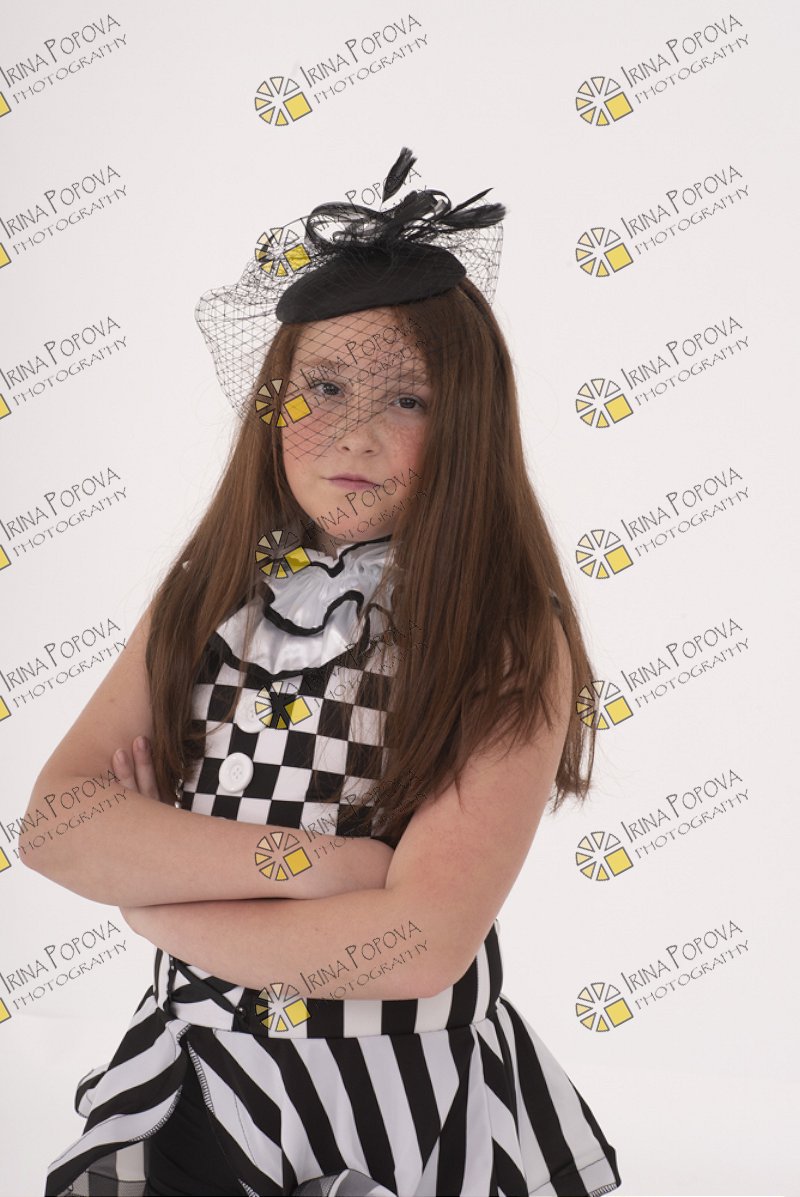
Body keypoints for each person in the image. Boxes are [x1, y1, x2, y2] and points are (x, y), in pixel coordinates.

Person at [24, 146, 623, 1197]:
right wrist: (320, 866)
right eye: (326, 388)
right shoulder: (207, 599)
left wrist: (162, 905)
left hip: (404, 1092)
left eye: (408, 401)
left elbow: (416, 945)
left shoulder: (501, 634)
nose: (353, 433)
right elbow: (58, 828)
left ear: (468, 425)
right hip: (206, 1074)